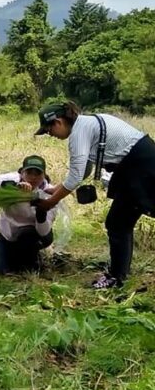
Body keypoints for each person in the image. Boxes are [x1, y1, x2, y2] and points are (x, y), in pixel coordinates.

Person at [33, 101, 155, 289]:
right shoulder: (85, 124)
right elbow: (85, 170)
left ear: (58, 122)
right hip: (137, 163)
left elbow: (74, 178)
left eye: (49, 130)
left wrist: (49, 202)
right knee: (119, 223)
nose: (50, 135)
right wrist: (56, 188)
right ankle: (119, 274)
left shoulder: (78, 133)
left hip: (140, 166)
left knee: (118, 224)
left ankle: (116, 278)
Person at [0, 155, 59, 274]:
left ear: (44, 175)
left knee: (25, 269)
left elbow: (43, 232)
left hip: (32, 236)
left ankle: (33, 259)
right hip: (8, 234)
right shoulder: (14, 181)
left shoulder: (48, 194)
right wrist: (15, 186)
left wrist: (41, 216)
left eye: (38, 174)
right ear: (22, 172)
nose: (33, 177)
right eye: (29, 173)